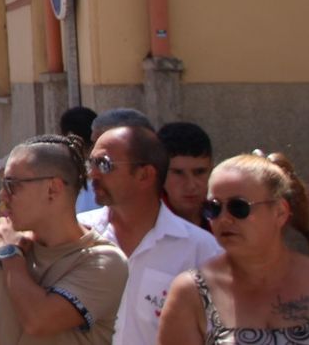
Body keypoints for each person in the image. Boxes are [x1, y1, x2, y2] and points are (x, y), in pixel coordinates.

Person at [0, 134, 127, 345]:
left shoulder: (105, 261)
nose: (2, 195)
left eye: (12, 185)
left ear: (53, 188)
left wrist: (10, 255)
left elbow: (38, 320)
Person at [79, 125, 221, 345]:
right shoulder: (76, 234)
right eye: (91, 163)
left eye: (104, 164)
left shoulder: (202, 250)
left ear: (145, 175)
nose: (92, 174)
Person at [155, 153, 309, 344]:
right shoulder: (191, 292)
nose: (224, 219)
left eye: (239, 207)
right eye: (213, 208)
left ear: (280, 212)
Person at [159, 123, 215, 231]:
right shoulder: (143, 224)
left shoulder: (230, 217)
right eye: (178, 173)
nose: (191, 185)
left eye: (199, 172)